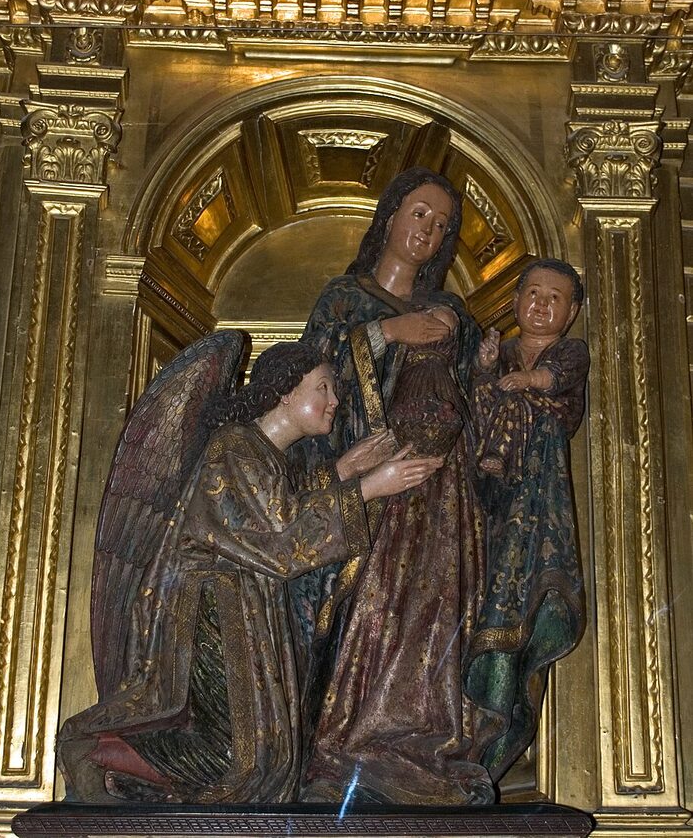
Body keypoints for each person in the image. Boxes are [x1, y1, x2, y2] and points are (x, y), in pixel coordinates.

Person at [57, 341, 443, 804]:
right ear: (284, 392)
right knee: (240, 758)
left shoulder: (260, 453)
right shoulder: (233, 445)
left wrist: (342, 470)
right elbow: (279, 539)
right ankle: (95, 750)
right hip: (211, 613)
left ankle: (127, 773)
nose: (334, 401)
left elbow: (278, 505)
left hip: (244, 609)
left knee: (270, 762)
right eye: (323, 387)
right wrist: (366, 488)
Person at [299, 167, 496, 805]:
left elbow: (466, 396)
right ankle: (347, 739)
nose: (429, 232)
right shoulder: (345, 297)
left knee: (437, 609)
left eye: (441, 226)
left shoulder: (450, 312)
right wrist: (386, 334)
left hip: (443, 490)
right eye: (420, 214)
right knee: (370, 602)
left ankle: (426, 744)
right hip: (373, 482)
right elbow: (312, 375)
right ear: (389, 217)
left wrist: (485, 370)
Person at [465, 258, 589, 781]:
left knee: (521, 611)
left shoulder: (568, 351)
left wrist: (522, 380)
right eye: (532, 294)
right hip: (492, 500)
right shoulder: (507, 351)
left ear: (574, 310)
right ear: (515, 302)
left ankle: (496, 744)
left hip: (536, 506)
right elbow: (477, 396)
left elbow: (557, 377)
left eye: (554, 297)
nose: (540, 304)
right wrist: (486, 367)